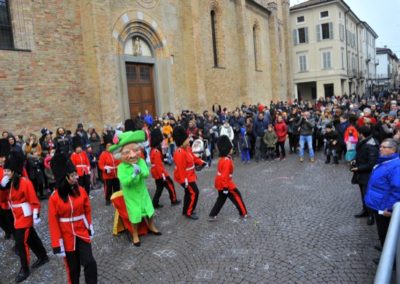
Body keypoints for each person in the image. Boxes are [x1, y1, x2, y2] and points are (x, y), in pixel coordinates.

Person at [49, 152, 97, 283]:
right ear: (65, 178)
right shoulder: (54, 197)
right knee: (73, 270)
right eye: (72, 175)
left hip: (81, 231)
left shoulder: (81, 190)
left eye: (76, 174)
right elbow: (53, 222)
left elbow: (87, 210)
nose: (76, 177)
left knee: (90, 263)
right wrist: (56, 243)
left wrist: (89, 226)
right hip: (66, 237)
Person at [1, 150, 48, 283]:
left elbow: (33, 200)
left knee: (21, 242)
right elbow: (4, 199)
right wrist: (1, 187)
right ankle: (43, 256)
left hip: (25, 216)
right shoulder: (9, 183)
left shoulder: (25, 182)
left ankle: (24, 268)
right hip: (17, 216)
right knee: (31, 237)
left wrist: (36, 214)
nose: (5, 173)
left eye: (8, 171)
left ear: (14, 171)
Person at [109, 130, 161, 246]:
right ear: (120, 154)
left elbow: (146, 174)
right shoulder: (121, 167)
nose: (132, 155)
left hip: (142, 191)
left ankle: (151, 225)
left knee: (149, 210)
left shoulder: (141, 161)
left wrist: (141, 171)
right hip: (131, 194)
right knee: (135, 214)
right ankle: (135, 234)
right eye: (127, 152)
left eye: (136, 150)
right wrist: (133, 175)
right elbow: (125, 182)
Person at [364, 138, 400, 264]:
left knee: (386, 232)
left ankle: (389, 260)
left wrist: (389, 208)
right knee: (382, 231)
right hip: (379, 203)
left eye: (384, 147)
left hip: (384, 207)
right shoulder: (386, 161)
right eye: (381, 146)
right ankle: (385, 248)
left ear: (393, 150)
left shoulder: (395, 166)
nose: (380, 148)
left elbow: (397, 190)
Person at [208, 135, 248, 221]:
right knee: (237, 195)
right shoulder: (226, 161)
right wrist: (226, 187)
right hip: (226, 184)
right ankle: (243, 213)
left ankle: (212, 214)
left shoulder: (223, 158)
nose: (232, 149)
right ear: (227, 149)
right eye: (230, 148)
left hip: (220, 182)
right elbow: (225, 176)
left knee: (221, 198)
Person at [172, 126, 206, 220]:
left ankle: (185, 210)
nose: (188, 140)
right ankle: (189, 212)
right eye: (186, 139)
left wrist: (201, 162)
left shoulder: (187, 148)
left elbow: (193, 158)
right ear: (181, 141)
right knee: (194, 192)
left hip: (190, 175)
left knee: (188, 193)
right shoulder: (179, 152)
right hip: (185, 177)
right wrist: (185, 181)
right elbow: (181, 169)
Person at [350, 126, 379, 226]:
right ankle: (365, 210)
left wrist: (358, 168)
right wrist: (355, 161)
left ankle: (371, 214)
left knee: (368, 194)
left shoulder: (371, 145)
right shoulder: (363, 141)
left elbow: (371, 163)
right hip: (361, 173)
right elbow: (360, 155)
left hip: (367, 174)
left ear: (361, 133)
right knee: (363, 193)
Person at [150, 128, 181, 209]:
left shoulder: (153, 149)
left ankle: (155, 203)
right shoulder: (156, 151)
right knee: (170, 184)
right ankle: (173, 200)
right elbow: (158, 166)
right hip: (160, 174)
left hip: (157, 173)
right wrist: (163, 176)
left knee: (159, 188)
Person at [98, 134, 120, 206]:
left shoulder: (115, 153)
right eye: (108, 146)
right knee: (108, 189)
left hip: (116, 174)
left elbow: (119, 161)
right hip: (108, 175)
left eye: (110, 145)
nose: (109, 147)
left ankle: (117, 199)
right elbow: (100, 164)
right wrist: (105, 169)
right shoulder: (103, 154)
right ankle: (108, 200)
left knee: (117, 187)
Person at [0, 138, 14, 240]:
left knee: (10, 218)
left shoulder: (10, 166)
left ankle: (12, 231)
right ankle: (7, 231)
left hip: (8, 198)